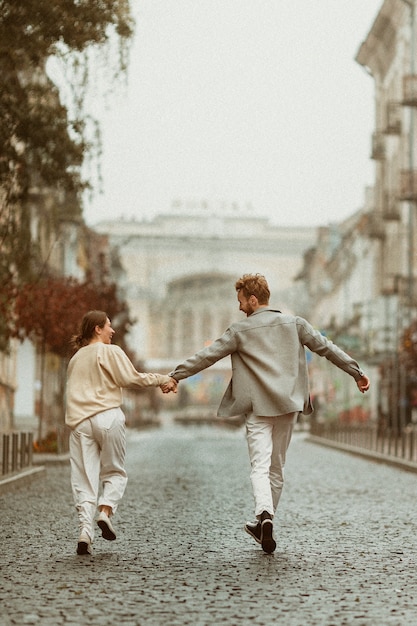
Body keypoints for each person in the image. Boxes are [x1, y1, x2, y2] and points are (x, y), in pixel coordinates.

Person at [163, 274, 370, 554]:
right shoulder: (296, 324)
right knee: (276, 467)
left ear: (252, 299)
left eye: (240, 301)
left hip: (258, 408)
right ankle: (264, 521)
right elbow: (327, 348)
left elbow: (207, 356)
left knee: (260, 465)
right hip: (288, 406)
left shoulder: (239, 331)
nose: (239, 308)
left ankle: (265, 514)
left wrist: (177, 375)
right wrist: (355, 372)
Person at [65, 310, 177, 556]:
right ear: (97, 329)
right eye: (108, 326)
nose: (112, 331)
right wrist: (162, 379)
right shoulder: (110, 352)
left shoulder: (75, 359)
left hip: (81, 423)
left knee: (83, 480)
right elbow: (132, 379)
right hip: (108, 416)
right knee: (115, 471)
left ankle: (85, 531)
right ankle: (105, 512)